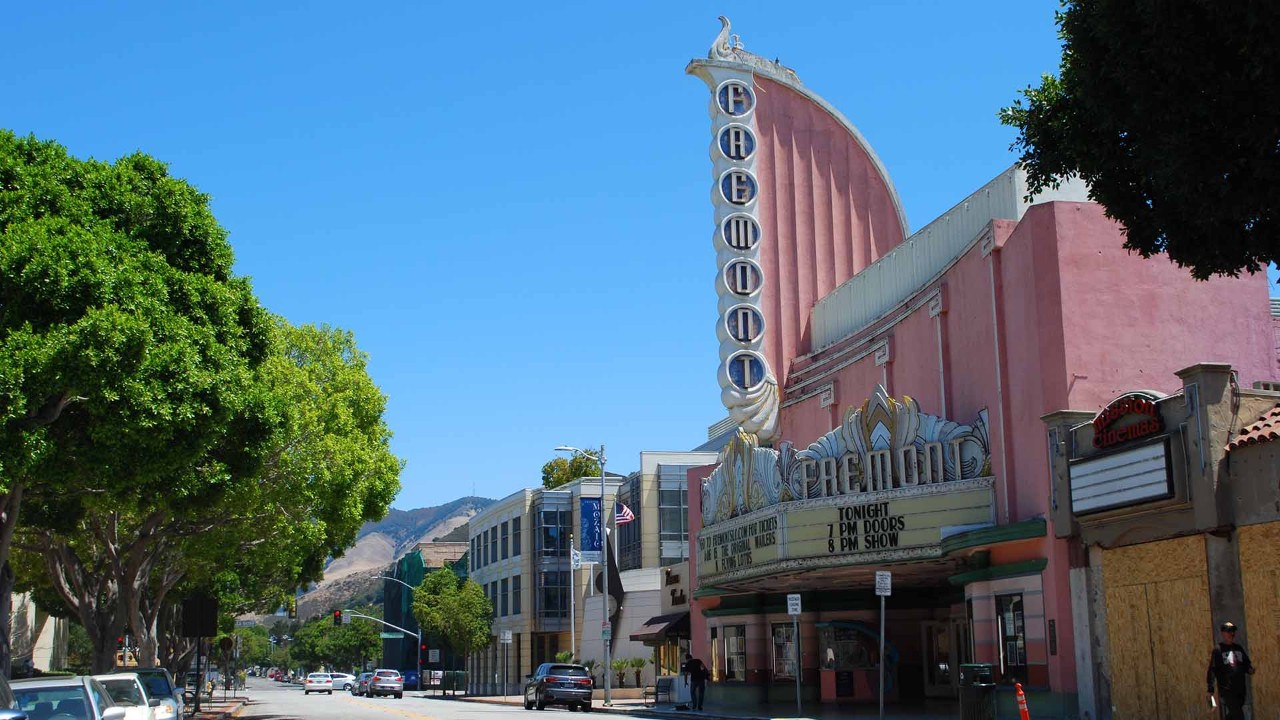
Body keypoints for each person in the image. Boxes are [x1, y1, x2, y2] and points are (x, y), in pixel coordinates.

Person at [1207, 621, 1255, 720]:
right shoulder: (1218, 650)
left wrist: (1250, 669)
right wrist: (1210, 689)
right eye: (1229, 631)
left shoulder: (1238, 648)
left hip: (1240, 688)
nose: (1231, 634)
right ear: (1223, 633)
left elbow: (1246, 664)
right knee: (1238, 716)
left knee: (1234, 714)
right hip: (1227, 690)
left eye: (1233, 631)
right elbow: (1212, 669)